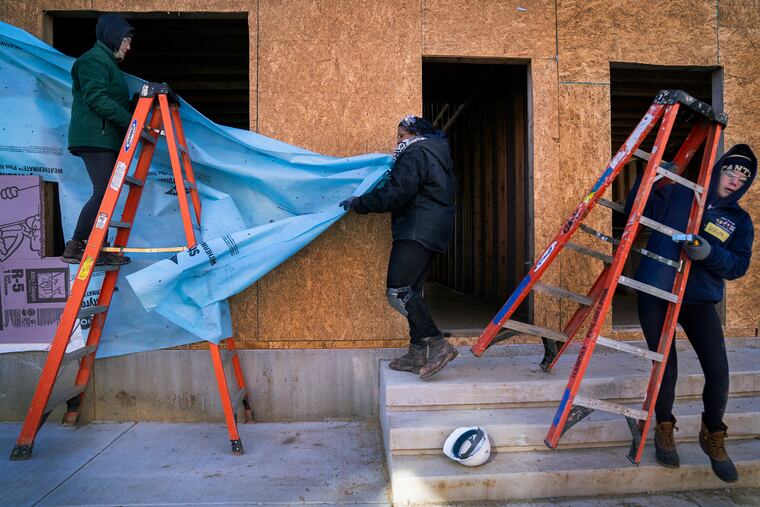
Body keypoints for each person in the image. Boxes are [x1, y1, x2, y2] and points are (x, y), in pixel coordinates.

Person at [626, 144, 755, 482]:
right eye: (730, 171)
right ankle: (663, 427)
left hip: (698, 299)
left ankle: (713, 435)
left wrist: (709, 253)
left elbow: (739, 265)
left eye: (743, 177)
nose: (734, 180)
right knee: (666, 366)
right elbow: (634, 211)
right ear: (718, 169)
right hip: (657, 290)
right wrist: (651, 177)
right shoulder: (680, 194)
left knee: (719, 371)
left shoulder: (739, 220)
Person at [340, 115, 458, 380]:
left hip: (416, 230)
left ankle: (438, 344)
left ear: (415, 135)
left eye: (401, 136)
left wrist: (359, 203)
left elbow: (395, 193)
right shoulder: (436, 155)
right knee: (413, 291)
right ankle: (417, 352)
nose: (398, 142)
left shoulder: (417, 154)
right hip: (432, 231)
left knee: (398, 291)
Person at [61, 13, 135, 266]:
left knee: (108, 193)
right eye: (126, 40)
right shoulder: (93, 60)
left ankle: (97, 247)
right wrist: (130, 121)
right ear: (113, 37)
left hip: (104, 137)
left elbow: (110, 98)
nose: (128, 46)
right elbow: (96, 97)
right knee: (104, 192)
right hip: (95, 136)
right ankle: (76, 245)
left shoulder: (108, 64)